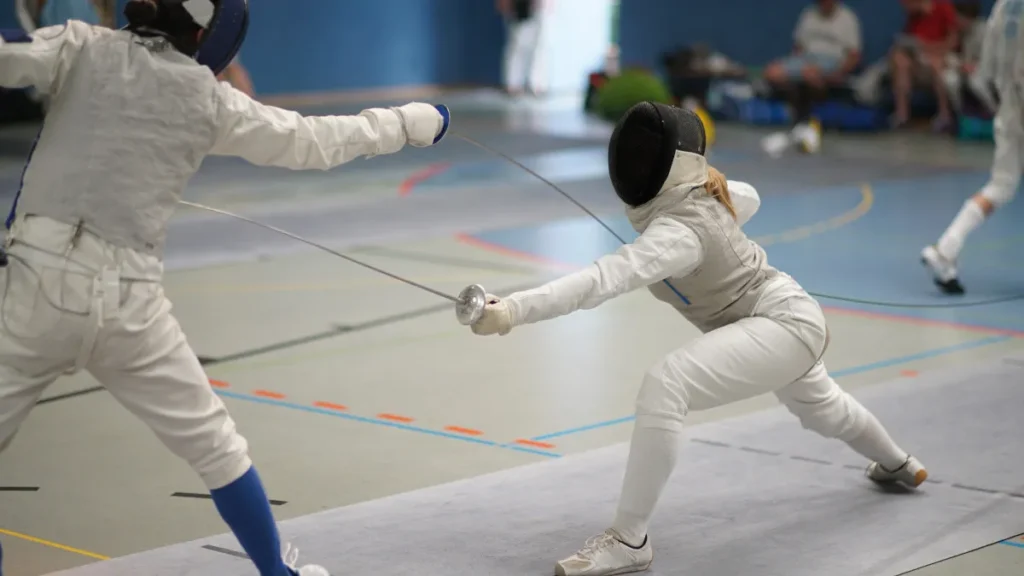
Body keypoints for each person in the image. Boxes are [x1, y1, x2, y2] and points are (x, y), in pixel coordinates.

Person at [0, 0, 450, 575]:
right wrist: (415, 122)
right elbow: (314, 141)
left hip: (37, 291)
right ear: (207, 33)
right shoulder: (205, 96)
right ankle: (276, 572)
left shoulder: (82, 46)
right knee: (216, 447)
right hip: (129, 305)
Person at [466, 102, 926, 576]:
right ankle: (897, 463)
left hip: (782, 320)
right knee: (825, 409)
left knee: (668, 384)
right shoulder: (700, 200)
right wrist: (716, 183)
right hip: (777, 318)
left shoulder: (676, 234)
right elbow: (748, 198)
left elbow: (599, 281)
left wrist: (514, 311)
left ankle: (629, 539)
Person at [923, 0, 1020, 294]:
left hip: (1010, 111)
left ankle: (945, 249)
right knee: (1001, 186)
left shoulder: (1003, 8)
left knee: (1000, 186)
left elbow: (987, 70)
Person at [762, 0, 862, 156]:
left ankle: (810, 122)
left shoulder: (847, 18)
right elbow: (798, 49)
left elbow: (853, 56)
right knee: (772, 72)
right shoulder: (809, 14)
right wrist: (795, 68)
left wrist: (835, 75)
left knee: (811, 76)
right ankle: (795, 117)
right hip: (806, 60)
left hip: (832, 62)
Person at [889, 0, 960, 131]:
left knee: (936, 62)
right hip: (918, 61)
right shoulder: (914, 16)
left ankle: (944, 116)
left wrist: (928, 48)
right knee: (900, 60)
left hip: (941, 57)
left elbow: (953, 42)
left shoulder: (943, 7)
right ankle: (902, 116)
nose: (906, 9)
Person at [496, 0, 548, 97]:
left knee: (538, 47)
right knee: (517, 45)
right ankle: (513, 84)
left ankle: (535, 84)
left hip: (535, 9)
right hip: (519, 8)